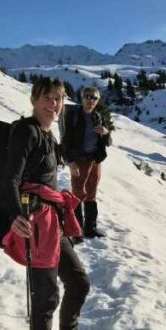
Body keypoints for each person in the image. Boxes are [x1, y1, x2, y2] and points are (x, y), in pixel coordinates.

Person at [5, 77, 101, 330]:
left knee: (78, 281)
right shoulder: (26, 131)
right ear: (34, 99)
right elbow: (11, 178)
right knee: (45, 296)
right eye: (48, 98)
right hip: (34, 221)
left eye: (59, 98)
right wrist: (15, 214)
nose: (54, 104)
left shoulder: (48, 134)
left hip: (51, 220)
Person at [62, 86, 111, 239]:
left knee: (91, 194)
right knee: (77, 195)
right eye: (88, 97)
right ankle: (76, 231)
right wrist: (70, 161)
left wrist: (106, 132)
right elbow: (65, 140)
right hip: (79, 160)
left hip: (95, 160)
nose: (91, 100)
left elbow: (107, 142)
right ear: (82, 98)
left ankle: (90, 228)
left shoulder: (97, 116)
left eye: (94, 98)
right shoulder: (72, 116)